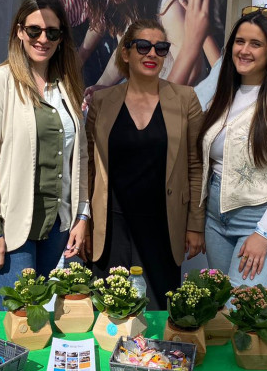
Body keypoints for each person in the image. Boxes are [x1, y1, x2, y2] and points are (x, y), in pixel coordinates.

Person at [0, 0, 90, 310]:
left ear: (62, 37)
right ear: (20, 32)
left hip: (57, 225)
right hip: (12, 228)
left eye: (52, 32)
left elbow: (80, 157)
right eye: (34, 30)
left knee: (43, 314)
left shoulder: (67, 86)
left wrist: (82, 215)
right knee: (24, 315)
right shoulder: (0, 83)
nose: (43, 39)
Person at [85, 19, 205, 310]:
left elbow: (196, 165)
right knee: (109, 309)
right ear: (125, 53)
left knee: (156, 312)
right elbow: (87, 166)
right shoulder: (102, 101)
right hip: (111, 225)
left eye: (161, 48)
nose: (152, 54)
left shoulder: (185, 99)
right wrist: (84, 221)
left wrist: (195, 225)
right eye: (143, 46)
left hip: (162, 225)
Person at [197, 8, 267, 292]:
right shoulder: (222, 94)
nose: (244, 50)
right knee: (220, 314)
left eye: (255, 44)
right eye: (239, 41)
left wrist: (263, 232)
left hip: (258, 221)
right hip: (215, 221)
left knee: (240, 312)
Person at [81, 0, 206, 105]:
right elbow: (123, 52)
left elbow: (192, 71)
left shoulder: (169, 4)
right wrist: (102, 87)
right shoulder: (127, 0)